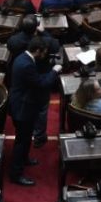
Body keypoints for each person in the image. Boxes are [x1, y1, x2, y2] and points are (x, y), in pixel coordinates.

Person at [8, 37, 61, 185]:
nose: (44, 56)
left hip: (23, 104)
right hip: (22, 108)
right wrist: (54, 71)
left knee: (24, 139)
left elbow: (35, 79)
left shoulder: (22, 57)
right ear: (37, 51)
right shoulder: (26, 65)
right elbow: (41, 83)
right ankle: (16, 174)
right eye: (43, 53)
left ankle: (24, 159)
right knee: (22, 141)